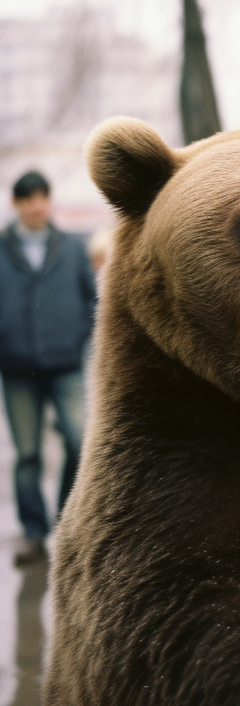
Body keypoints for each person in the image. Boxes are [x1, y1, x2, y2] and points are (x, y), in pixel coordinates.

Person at [0, 171, 96, 564]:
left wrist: (76, 337)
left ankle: (66, 523)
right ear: (17, 204)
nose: (37, 206)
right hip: (18, 369)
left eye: (42, 198)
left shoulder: (71, 247)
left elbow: (92, 300)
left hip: (65, 365)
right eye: (29, 199)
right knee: (28, 456)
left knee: (78, 443)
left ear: (48, 201)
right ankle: (34, 533)